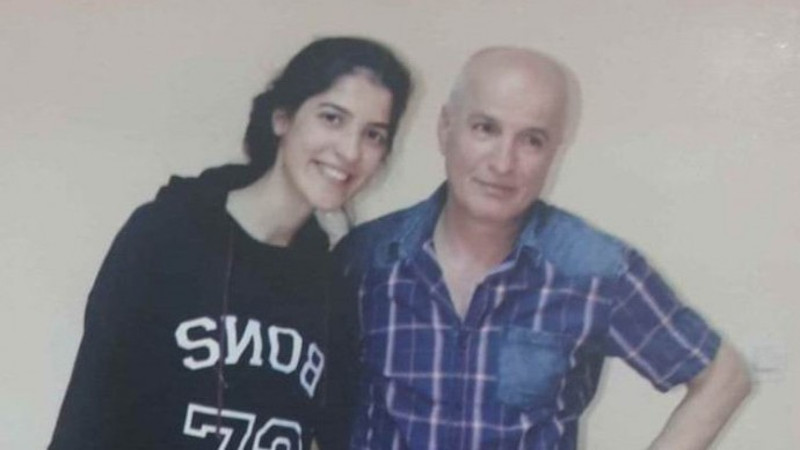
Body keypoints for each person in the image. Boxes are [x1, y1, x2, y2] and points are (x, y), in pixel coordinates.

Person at [337, 47, 750, 449]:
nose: (503, 163)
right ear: (446, 128)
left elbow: (724, 378)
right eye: (485, 128)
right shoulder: (366, 257)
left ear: (555, 152)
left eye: (531, 140)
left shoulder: (594, 270)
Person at [49, 36, 411, 450]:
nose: (350, 150)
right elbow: (87, 414)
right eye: (332, 118)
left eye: (373, 135)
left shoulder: (335, 286)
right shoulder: (166, 235)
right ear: (282, 118)